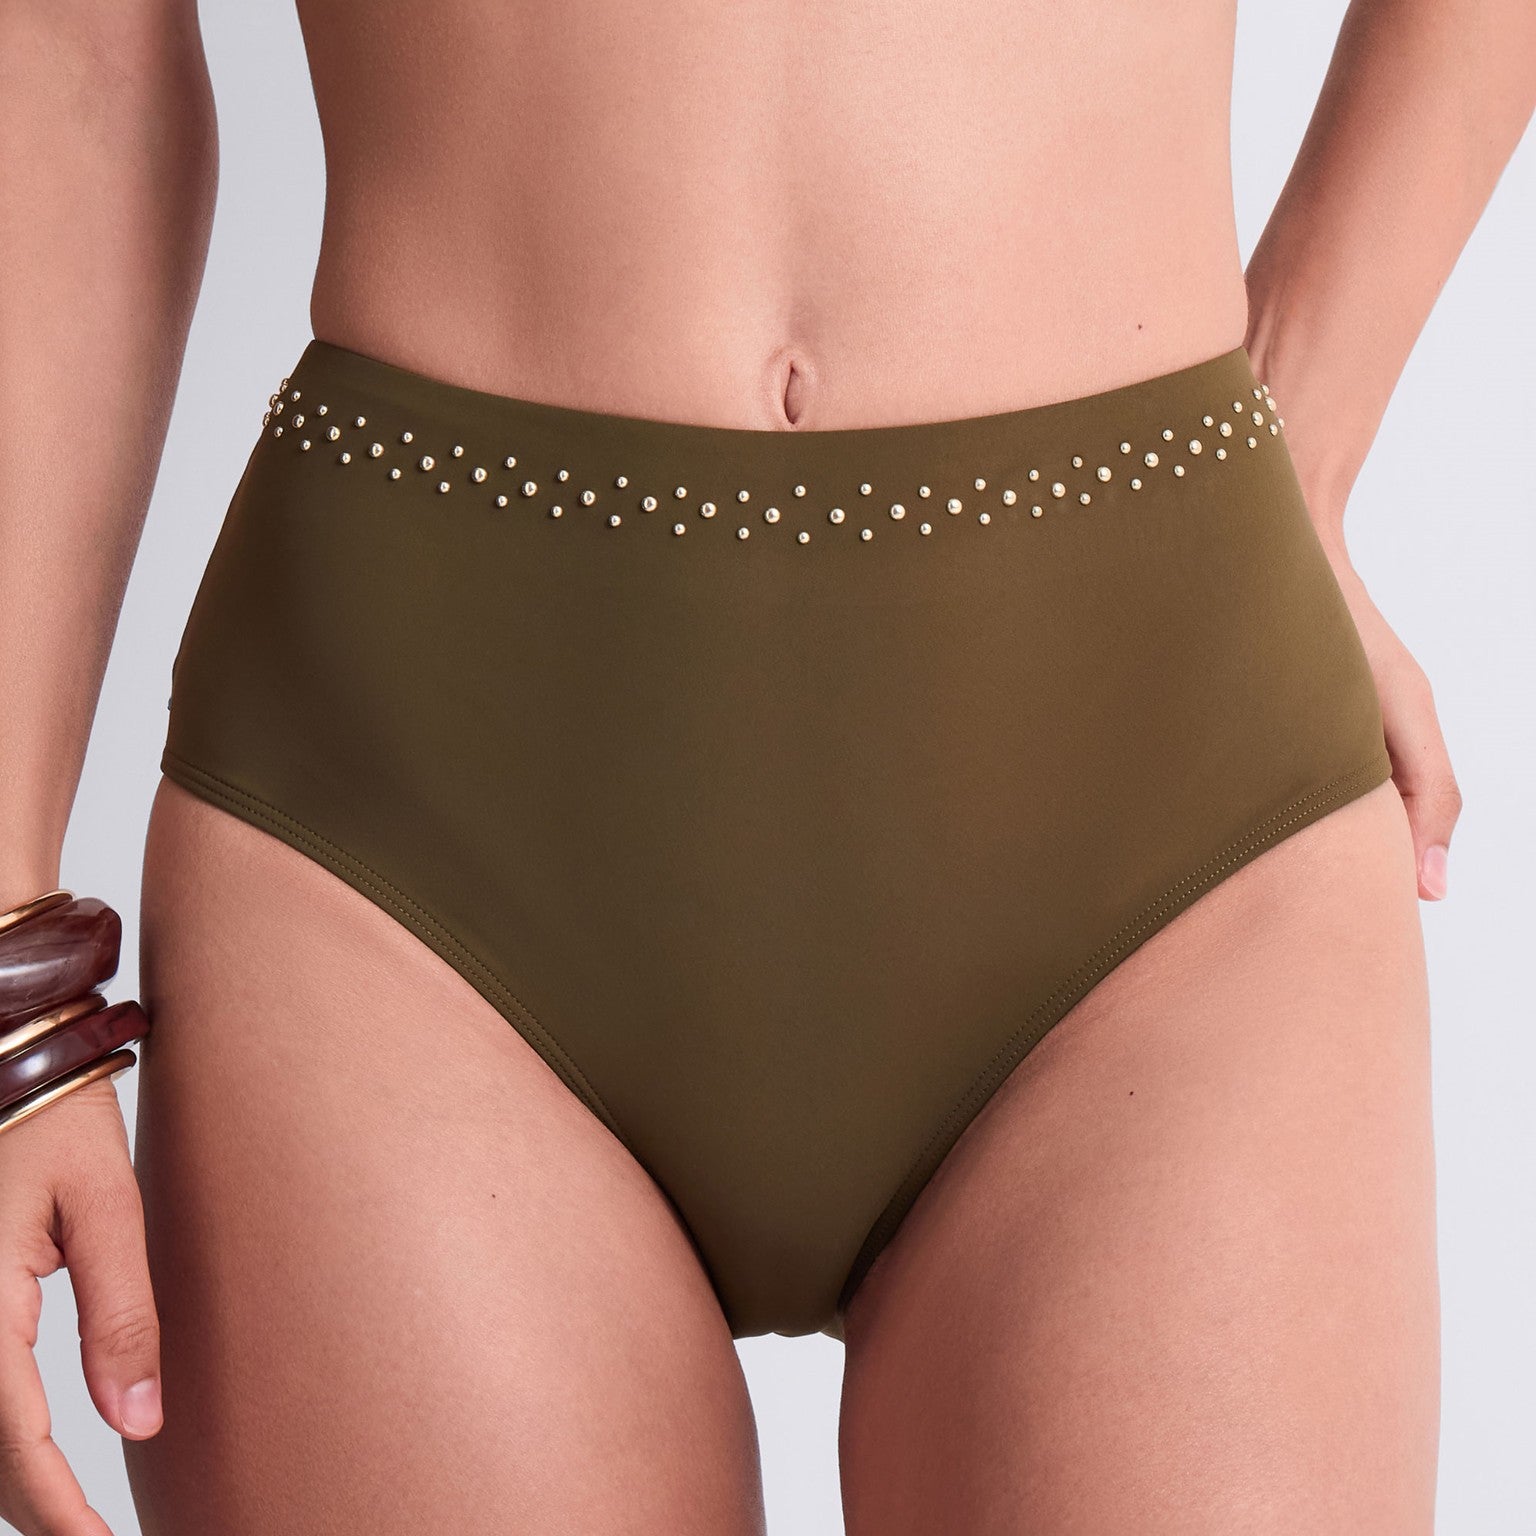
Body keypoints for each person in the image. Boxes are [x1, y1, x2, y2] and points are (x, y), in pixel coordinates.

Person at [2, 1, 1529, 1531]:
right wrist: (7, 977)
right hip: (400, 847)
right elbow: (68, 45)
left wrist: (1302, 444)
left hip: (1166, 801)